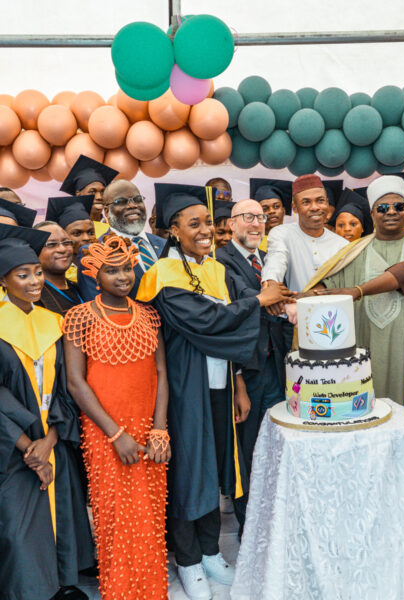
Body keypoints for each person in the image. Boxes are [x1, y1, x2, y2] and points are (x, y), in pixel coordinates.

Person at [136, 183, 293, 600]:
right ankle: (187, 560)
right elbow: (208, 321)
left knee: (214, 467)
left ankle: (209, 550)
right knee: (190, 471)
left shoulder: (215, 270)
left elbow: (239, 315)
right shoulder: (163, 274)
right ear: (174, 230)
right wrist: (260, 301)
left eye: (208, 222)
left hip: (221, 386)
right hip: (185, 387)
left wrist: (239, 383)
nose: (206, 230)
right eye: (194, 224)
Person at [299, 175, 404, 487]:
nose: (391, 212)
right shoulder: (352, 252)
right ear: (372, 212)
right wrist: (306, 296)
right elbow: (328, 285)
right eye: (383, 207)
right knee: (368, 436)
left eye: (398, 206)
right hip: (363, 365)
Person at [63, 234, 169, 600]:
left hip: (148, 428)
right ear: (94, 274)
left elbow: (161, 374)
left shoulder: (149, 315)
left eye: (127, 268)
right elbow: (76, 383)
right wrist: (115, 434)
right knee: (116, 517)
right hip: (105, 432)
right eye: (112, 270)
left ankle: (152, 592)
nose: (123, 276)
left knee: (149, 515)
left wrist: (160, 429)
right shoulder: (79, 318)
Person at [0, 223, 94, 600]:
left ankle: (62, 583)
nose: (34, 281)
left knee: (63, 512)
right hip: (13, 447)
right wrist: (30, 447)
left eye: (37, 272)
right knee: (19, 524)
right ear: (3, 281)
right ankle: (31, 590)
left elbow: (65, 390)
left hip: (53, 439)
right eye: (22, 275)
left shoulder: (54, 321)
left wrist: (51, 438)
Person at [216, 199, 293, 531]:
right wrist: (272, 299)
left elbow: (278, 298)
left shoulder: (270, 261)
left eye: (261, 218)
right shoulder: (220, 261)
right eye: (248, 217)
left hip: (277, 366)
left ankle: (276, 518)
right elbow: (241, 302)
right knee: (246, 450)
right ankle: (250, 526)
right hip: (245, 372)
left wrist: (278, 298)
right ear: (231, 223)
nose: (256, 223)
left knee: (275, 443)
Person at [77, 179, 165, 301]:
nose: (132, 205)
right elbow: (95, 304)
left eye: (137, 199)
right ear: (107, 212)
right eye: (121, 202)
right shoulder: (95, 252)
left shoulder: (165, 244)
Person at [262, 174, 348, 294]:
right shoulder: (282, 233)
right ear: (295, 208)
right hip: (294, 305)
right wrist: (271, 284)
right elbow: (276, 259)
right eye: (306, 202)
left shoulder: (342, 245)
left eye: (320, 200)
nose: (315, 207)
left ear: (327, 203)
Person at [60, 154, 118, 237]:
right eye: (92, 192)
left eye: (102, 192)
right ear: (78, 194)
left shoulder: (115, 227)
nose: (99, 197)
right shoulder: (71, 230)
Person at [34, 221, 83, 316]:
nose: (62, 249)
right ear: (35, 251)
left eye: (66, 243)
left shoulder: (79, 287)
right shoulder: (33, 296)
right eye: (51, 244)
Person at [46, 195, 96, 284]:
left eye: (91, 233)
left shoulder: (105, 264)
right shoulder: (58, 274)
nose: (86, 238)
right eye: (77, 233)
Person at [249, 178, 292, 252]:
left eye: (276, 206)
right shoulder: (251, 246)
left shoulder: (294, 241)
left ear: (283, 211)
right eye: (265, 209)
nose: (271, 211)